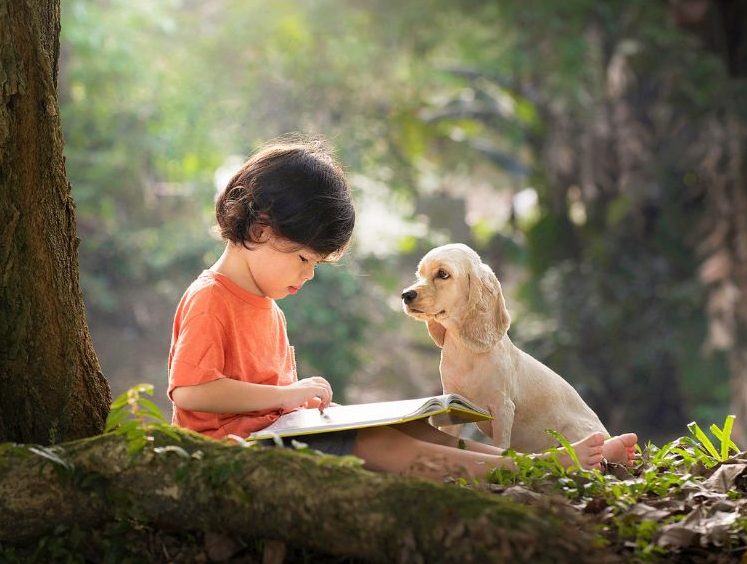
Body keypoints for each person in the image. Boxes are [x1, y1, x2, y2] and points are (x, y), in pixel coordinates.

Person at [167, 136, 637, 482]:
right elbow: (191, 393)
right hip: (229, 457)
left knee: (423, 430)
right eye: (304, 259)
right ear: (261, 225)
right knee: (377, 442)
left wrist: (298, 400)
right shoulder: (211, 298)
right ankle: (521, 474)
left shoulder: (269, 308)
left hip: (280, 435)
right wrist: (287, 397)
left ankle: (526, 465)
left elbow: (274, 402)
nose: (307, 275)